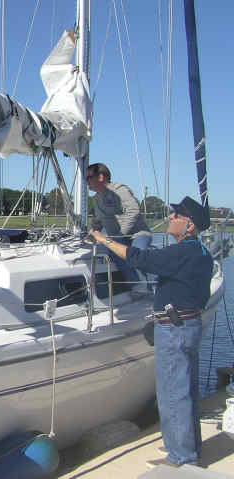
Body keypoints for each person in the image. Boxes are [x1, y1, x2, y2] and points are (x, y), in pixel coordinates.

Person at [88, 196, 212, 468]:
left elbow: (139, 258)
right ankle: (188, 446)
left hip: (174, 329)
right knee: (186, 389)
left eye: (176, 215)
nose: (170, 217)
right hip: (187, 325)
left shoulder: (182, 252)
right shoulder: (201, 252)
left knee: (172, 392)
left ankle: (181, 457)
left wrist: (102, 238)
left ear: (190, 225)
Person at [87, 162, 152, 296]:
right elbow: (97, 220)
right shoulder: (97, 199)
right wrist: (91, 234)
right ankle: (137, 286)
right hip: (117, 238)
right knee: (114, 251)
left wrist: (120, 234)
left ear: (101, 177)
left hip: (138, 234)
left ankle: (155, 285)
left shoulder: (119, 190)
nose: (86, 181)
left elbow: (133, 210)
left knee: (137, 256)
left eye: (89, 177)